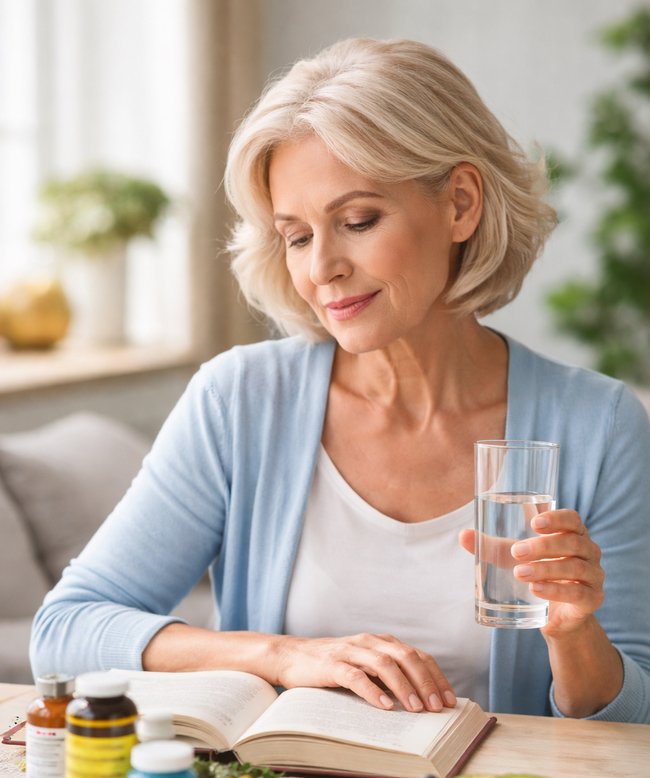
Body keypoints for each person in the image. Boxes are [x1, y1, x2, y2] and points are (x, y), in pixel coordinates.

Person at [30, 37, 650, 722]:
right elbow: (64, 633)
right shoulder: (241, 401)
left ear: (462, 204)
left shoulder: (601, 425)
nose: (322, 266)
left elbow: (637, 723)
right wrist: (279, 656)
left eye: (357, 221)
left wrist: (574, 636)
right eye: (296, 236)